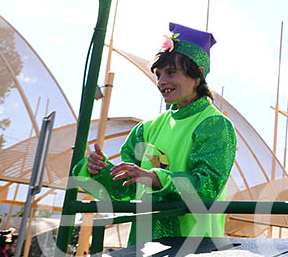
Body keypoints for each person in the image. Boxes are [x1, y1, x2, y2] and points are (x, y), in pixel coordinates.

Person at [72, 23, 237, 243]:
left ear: (198, 75)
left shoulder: (215, 124)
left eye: (171, 73)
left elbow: (207, 187)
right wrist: (100, 171)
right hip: (142, 247)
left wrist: (155, 178)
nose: (161, 82)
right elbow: (127, 191)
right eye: (158, 74)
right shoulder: (145, 129)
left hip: (194, 251)